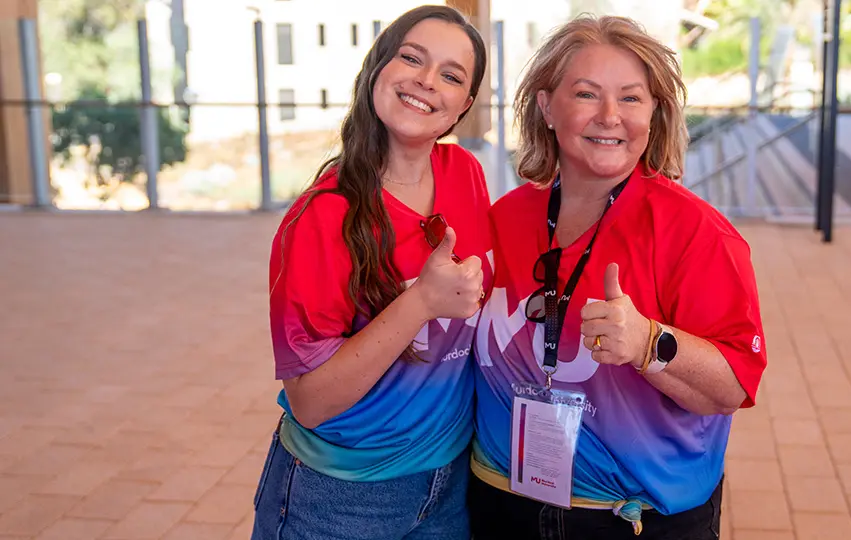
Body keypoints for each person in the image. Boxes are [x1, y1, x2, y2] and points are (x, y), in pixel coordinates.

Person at [469, 15, 767, 539]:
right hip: (500, 505)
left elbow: (732, 386)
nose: (610, 116)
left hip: (629, 521)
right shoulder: (504, 218)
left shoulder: (696, 233)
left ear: (655, 112)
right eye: (586, 94)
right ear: (546, 107)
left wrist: (650, 343)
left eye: (631, 98)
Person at [251, 6, 490, 540]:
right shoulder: (322, 216)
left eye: (451, 75)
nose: (427, 81)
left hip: (450, 480)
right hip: (340, 499)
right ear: (378, 67)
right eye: (412, 58)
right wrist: (420, 302)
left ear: (462, 107)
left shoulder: (466, 174)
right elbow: (311, 402)